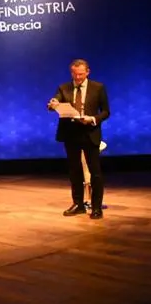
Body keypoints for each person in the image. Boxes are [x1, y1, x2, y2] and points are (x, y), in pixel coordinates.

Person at [47, 59, 110, 219]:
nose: (78, 77)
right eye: (75, 74)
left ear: (88, 72)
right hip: (71, 134)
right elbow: (55, 101)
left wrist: (92, 119)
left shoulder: (98, 88)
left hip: (90, 133)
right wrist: (53, 104)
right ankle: (78, 205)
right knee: (74, 172)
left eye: (81, 74)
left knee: (95, 173)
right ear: (71, 73)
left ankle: (96, 207)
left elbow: (106, 112)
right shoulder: (64, 88)